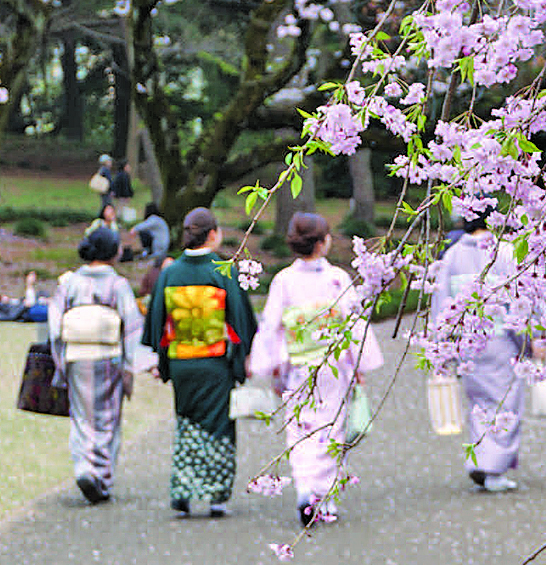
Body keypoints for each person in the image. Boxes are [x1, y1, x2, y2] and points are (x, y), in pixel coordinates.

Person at [248, 212, 384, 526]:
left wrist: (271, 366)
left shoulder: (284, 280)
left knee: (300, 429)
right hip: (333, 365)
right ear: (322, 243)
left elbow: (272, 326)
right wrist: (359, 363)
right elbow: (354, 323)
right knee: (331, 429)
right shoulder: (337, 278)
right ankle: (322, 498)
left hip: (298, 365)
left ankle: (305, 489)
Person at [143, 207, 259, 517]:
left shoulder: (170, 272)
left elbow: (157, 320)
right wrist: (244, 355)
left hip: (181, 361)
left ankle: (183, 490)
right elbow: (240, 317)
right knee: (219, 425)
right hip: (215, 361)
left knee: (187, 423)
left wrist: (161, 359)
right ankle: (216, 495)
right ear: (212, 234)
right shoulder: (222, 269)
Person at [431, 209, 540, 493]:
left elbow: (442, 304)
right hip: (501, 340)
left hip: (468, 342)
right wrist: (529, 342)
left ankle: (481, 461)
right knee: (505, 404)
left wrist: (443, 346)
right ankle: (493, 469)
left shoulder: (452, 255)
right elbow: (519, 302)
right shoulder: (505, 252)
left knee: (479, 403)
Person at [48, 228, 153, 504]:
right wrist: (133, 366)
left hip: (75, 357)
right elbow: (131, 327)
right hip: (108, 358)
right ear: (113, 252)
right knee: (107, 418)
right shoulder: (116, 285)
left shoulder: (69, 283)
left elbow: (55, 323)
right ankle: (101, 477)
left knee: (82, 417)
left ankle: (83, 467)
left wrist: (61, 358)